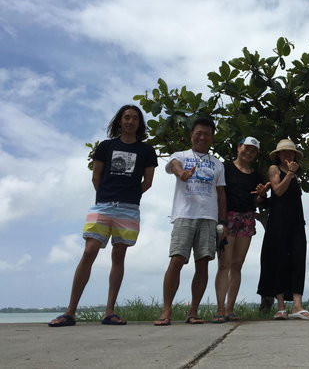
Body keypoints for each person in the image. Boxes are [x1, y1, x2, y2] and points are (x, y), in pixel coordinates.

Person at [49, 105, 157, 327]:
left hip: (129, 208)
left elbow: (147, 182)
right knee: (89, 251)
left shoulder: (146, 150)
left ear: (139, 123)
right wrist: (107, 196)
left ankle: (109, 311)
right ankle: (70, 312)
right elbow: (95, 177)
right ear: (119, 121)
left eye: (135, 118)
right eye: (126, 117)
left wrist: (129, 195)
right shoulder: (106, 146)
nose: (130, 121)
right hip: (103, 206)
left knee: (119, 255)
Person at [154, 117, 226, 326]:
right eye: (198, 133)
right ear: (191, 135)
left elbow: (221, 194)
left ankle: (193, 311)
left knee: (202, 264)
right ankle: (166, 310)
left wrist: (222, 222)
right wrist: (182, 173)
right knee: (176, 260)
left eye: (207, 134)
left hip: (209, 217)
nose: (202, 137)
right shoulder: (181, 155)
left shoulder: (217, 164)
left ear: (212, 138)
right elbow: (174, 166)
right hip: (184, 214)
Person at [213, 137, 271, 323]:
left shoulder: (256, 176)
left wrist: (262, 195)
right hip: (227, 216)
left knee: (237, 264)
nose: (249, 152)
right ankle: (220, 309)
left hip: (247, 218)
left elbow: (257, 201)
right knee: (224, 264)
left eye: (253, 150)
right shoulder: (225, 168)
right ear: (238, 148)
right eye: (246, 148)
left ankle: (230, 309)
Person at [258, 139, 309, 320]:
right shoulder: (275, 170)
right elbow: (278, 191)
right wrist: (290, 173)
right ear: (278, 155)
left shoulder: (295, 174)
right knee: (278, 261)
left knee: (298, 260)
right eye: (284, 153)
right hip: (278, 223)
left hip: (296, 223)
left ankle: (297, 305)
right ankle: (281, 306)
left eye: (290, 153)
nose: (287, 155)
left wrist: (292, 173)